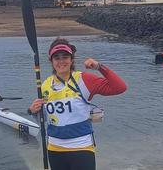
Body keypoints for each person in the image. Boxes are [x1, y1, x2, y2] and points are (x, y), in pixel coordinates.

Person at [28, 38, 127, 170]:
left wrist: (99, 67)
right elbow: (46, 118)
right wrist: (33, 111)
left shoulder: (84, 79)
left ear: (71, 59)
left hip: (81, 147)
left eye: (65, 57)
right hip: (54, 148)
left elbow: (120, 87)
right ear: (51, 61)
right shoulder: (45, 84)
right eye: (56, 57)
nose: (61, 61)